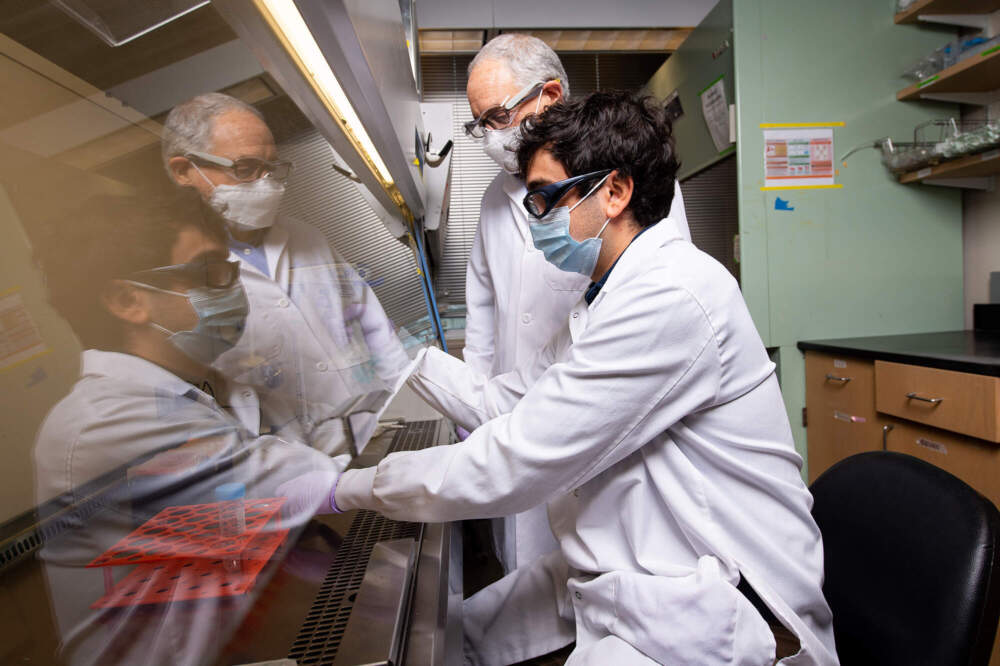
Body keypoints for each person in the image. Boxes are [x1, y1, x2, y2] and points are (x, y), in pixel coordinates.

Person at [289, 91, 839, 665]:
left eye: (545, 201)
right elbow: (508, 404)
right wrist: (403, 353)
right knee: (461, 635)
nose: (536, 223)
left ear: (616, 192)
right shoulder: (599, 301)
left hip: (726, 603)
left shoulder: (672, 294)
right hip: (638, 568)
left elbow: (519, 456)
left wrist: (341, 490)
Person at [32, 191, 343, 665]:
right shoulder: (106, 422)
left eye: (230, 271)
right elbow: (298, 483)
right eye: (210, 273)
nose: (233, 289)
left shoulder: (184, 391)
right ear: (126, 300)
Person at [461, 34, 691, 578]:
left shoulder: (629, 182)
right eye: (480, 125)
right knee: (527, 580)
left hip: (601, 427)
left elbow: (653, 303)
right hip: (518, 419)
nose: (490, 137)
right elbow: (483, 318)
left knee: (597, 571)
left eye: (496, 116)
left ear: (550, 95)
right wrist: (473, 418)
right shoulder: (496, 199)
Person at [161, 93, 412, 457]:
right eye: (245, 168)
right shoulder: (176, 271)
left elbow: (374, 325)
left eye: (272, 167)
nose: (266, 183)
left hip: (369, 433)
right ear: (184, 171)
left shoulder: (306, 236)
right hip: (286, 468)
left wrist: (408, 401)